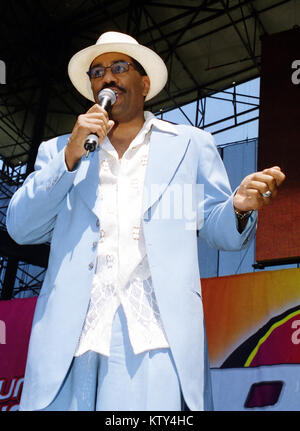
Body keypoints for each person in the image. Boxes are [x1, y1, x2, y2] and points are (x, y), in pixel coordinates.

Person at [6, 31, 285, 411]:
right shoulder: (59, 150)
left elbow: (218, 228)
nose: (107, 78)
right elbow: (21, 227)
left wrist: (238, 207)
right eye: (97, 71)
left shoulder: (187, 146)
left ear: (145, 82)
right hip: (70, 342)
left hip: (154, 337)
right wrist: (69, 159)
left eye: (120, 67)